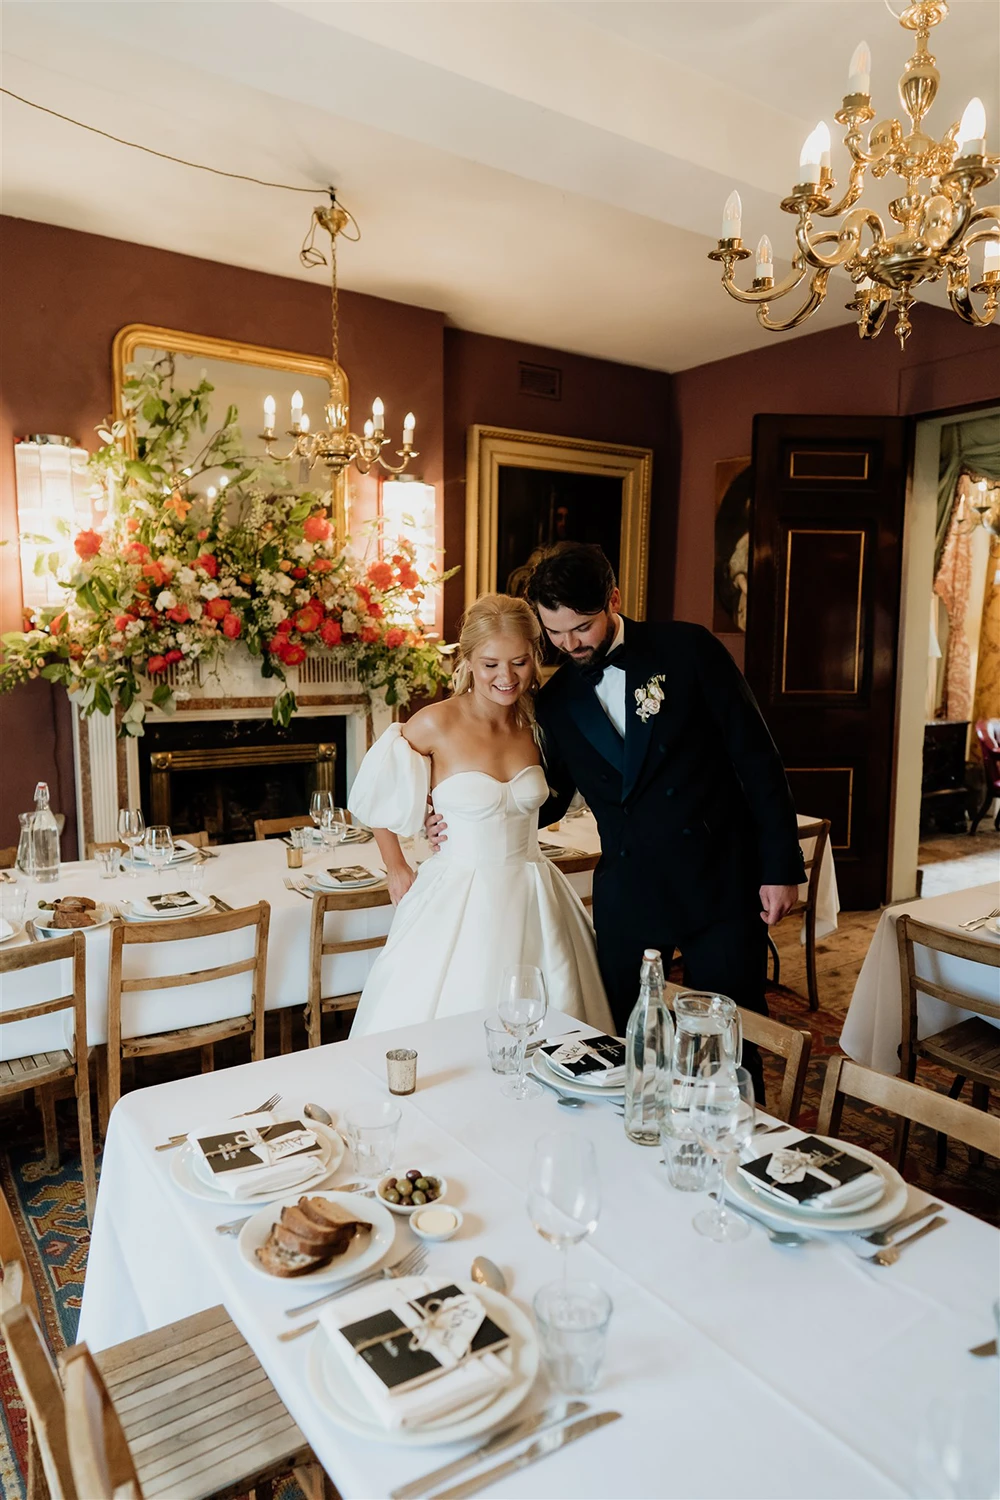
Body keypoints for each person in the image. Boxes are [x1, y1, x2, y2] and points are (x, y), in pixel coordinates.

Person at [429, 544, 804, 1100]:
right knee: (625, 1041)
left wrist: (780, 866)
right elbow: (551, 797)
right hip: (630, 893)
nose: (570, 644)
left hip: (719, 879)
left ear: (614, 599)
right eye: (554, 634)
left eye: (581, 627)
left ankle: (741, 1144)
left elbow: (757, 758)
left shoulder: (687, 649)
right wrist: (468, 818)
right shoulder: (555, 702)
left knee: (730, 1031)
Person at [346, 592, 614, 1037]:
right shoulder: (435, 723)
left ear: (534, 657)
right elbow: (378, 794)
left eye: (519, 662)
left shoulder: (540, 726)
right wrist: (397, 865)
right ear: (468, 660)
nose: (506, 677)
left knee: (558, 1027)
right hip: (456, 896)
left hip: (536, 893)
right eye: (490, 664)